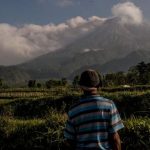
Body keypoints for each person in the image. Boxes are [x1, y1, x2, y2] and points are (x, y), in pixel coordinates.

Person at [64, 69, 124, 150]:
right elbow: (114, 137)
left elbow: (70, 141)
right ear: (98, 85)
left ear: (81, 87)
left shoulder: (73, 110)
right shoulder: (109, 105)